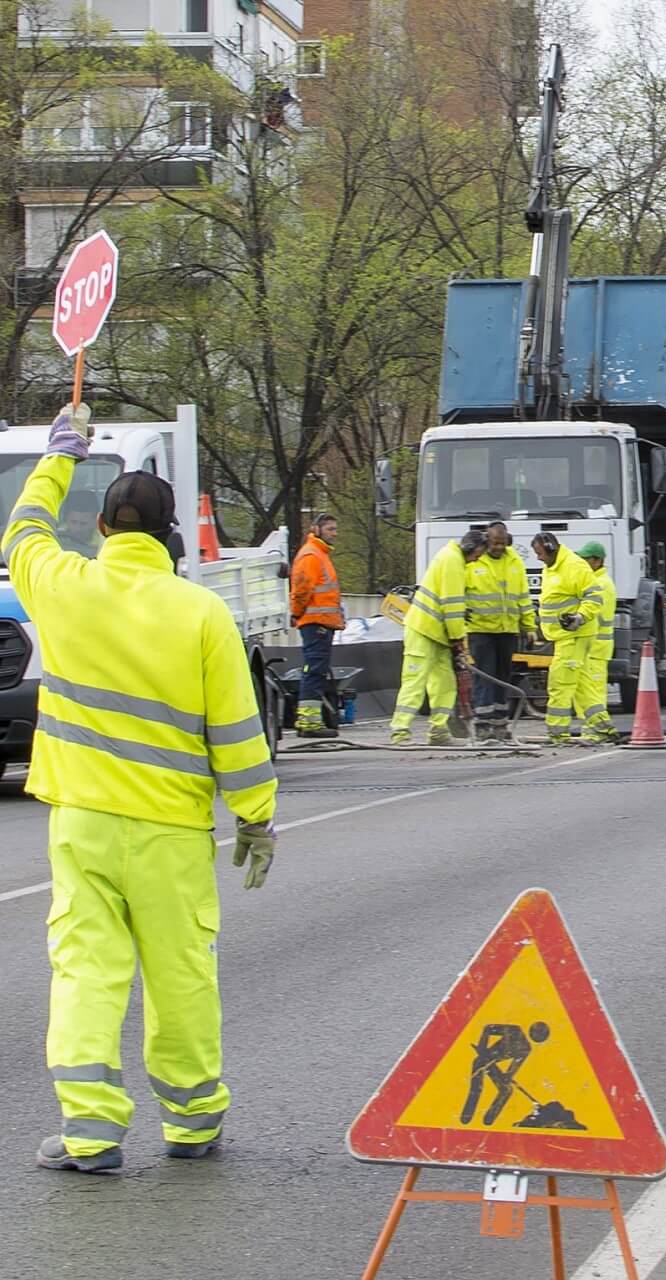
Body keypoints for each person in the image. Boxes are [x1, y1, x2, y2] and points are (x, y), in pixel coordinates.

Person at [3, 403, 278, 1174]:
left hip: (84, 823)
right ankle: (192, 1123)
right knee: (181, 972)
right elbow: (237, 733)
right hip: (170, 832)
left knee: (88, 970)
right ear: (168, 540)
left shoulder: (61, 586)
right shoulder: (202, 613)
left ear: (100, 530)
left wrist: (62, 453)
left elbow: (21, 532)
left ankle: (90, 1135)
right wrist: (256, 819)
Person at [390, 530, 488, 746]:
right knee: (415, 681)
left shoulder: (453, 558)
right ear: (471, 548)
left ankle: (439, 730)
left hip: (438, 634)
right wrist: (458, 639)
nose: (477, 559)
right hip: (423, 630)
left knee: (444, 684)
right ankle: (400, 731)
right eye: (478, 554)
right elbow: (451, 607)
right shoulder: (452, 561)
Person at [531, 532, 607, 745]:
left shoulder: (574, 566)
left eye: (540, 553)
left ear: (551, 548)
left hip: (574, 635)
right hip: (565, 636)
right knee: (582, 685)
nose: (538, 558)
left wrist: (579, 617)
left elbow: (594, 597)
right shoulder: (552, 567)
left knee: (560, 683)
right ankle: (602, 726)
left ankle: (557, 732)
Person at [465, 523, 535, 742]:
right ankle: (483, 725)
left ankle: (500, 723)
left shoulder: (514, 561)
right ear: (487, 540)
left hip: (507, 631)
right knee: (484, 676)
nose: (498, 547)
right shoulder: (474, 562)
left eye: (502, 544)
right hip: (480, 630)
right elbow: (459, 592)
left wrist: (529, 626)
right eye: (495, 543)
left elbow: (523, 596)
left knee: (503, 677)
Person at [289, 513, 344, 739]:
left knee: (316, 671)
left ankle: (310, 719)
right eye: (330, 529)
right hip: (316, 623)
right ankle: (309, 722)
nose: (335, 533)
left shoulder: (318, 554)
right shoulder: (312, 555)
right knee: (314, 671)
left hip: (321, 622)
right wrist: (296, 613)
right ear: (317, 529)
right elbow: (301, 589)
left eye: (335, 529)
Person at [577, 541, 621, 743]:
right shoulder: (598, 581)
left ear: (597, 561)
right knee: (591, 691)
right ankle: (593, 728)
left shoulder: (600, 585)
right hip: (594, 647)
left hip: (596, 647)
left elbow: (592, 616)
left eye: (585, 559)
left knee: (594, 693)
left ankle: (597, 730)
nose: (581, 563)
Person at [58, 493, 100, 558]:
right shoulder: (54, 535)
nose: (77, 528)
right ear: (66, 520)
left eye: (83, 523)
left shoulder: (103, 542)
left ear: (95, 522)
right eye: (73, 522)